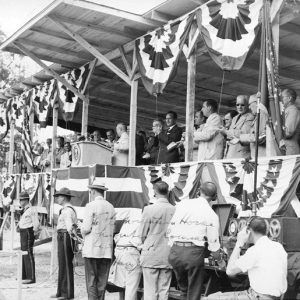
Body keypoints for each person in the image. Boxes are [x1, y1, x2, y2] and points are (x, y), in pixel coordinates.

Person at [204, 217, 287, 300]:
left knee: (209, 298)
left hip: (258, 297)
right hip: (277, 297)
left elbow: (229, 271)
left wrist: (239, 243)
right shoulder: (279, 247)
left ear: (248, 231)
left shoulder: (255, 250)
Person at [167, 182, 220, 300]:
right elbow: (213, 243)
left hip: (174, 251)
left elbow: (170, 227)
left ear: (198, 192)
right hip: (193, 254)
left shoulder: (182, 204)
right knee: (194, 291)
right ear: (215, 197)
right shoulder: (211, 214)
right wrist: (220, 260)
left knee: (184, 290)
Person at [136, 181, 176, 300]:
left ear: (155, 192)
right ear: (168, 192)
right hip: (168, 255)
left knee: (150, 292)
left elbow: (141, 234)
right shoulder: (175, 210)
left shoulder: (148, 209)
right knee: (164, 291)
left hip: (150, 253)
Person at [81, 184, 115, 300]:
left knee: (91, 279)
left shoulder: (90, 206)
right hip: (106, 249)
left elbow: (86, 228)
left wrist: (81, 231)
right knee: (102, 280)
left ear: (93, 192)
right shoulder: (111, 207)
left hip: (92, 248)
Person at [109, 208, 143, 300]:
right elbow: (140, 242)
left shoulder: (128, 221)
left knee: (123, 285)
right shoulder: (142, 221)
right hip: (131, 252)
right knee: (131, 287)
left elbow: (116, 237)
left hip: (119, 251)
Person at [51, 187, 77, 300]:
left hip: (66, 236)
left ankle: (67, 294)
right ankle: (60, 292)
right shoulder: (64, 210)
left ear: (64, 197)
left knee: (66, 264)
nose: (57, 199)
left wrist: (74, 242)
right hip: (62, 236)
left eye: (59, 197)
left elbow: (70, 227)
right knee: (62, 264)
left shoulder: (68, 210)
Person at [18, 192, 40, 284]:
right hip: (23, 232)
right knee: (23, 253)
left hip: (28, 232)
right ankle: (24, 275)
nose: (20, 201)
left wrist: (35, 233)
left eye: (21, 199)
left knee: (28, 253)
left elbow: (36, 223)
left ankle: (31, 277)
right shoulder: (24, 210)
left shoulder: (31, 210)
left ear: (26, 200)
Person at [282, 88, 300, 155]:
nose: (280, 99)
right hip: (286, 148)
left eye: (282, 97)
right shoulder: (287, 110)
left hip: (290, 149)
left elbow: (288, 132)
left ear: (289, 98)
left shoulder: (293, 111)